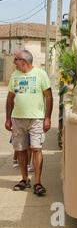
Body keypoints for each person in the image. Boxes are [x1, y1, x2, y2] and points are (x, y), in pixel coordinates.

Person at [5, 50, 53, 196]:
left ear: (24, 61)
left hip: (36, 119)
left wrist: (47, 117)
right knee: (20, 149)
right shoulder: (14, 75)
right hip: (17, 119)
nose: (14, 62)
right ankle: (24, 180)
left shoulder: (41, 74)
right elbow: (10, 98)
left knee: (36, 149)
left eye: (16, 60)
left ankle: (37, 182)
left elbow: (49, 97)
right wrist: (8, 118)